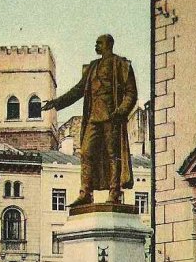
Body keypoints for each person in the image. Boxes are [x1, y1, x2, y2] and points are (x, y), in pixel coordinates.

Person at [42, 34, 137, 206]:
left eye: (99, 43)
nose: (96, 46)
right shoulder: (92, 67)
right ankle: (86, 193)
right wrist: (56, 102)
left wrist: (121, 111)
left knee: (113, 155)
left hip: (112, 117)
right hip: (93, 117)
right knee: (86, 152)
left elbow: (131, 93)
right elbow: (78, 90)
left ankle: (114, 192)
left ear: (109, 44)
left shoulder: (122, 65)